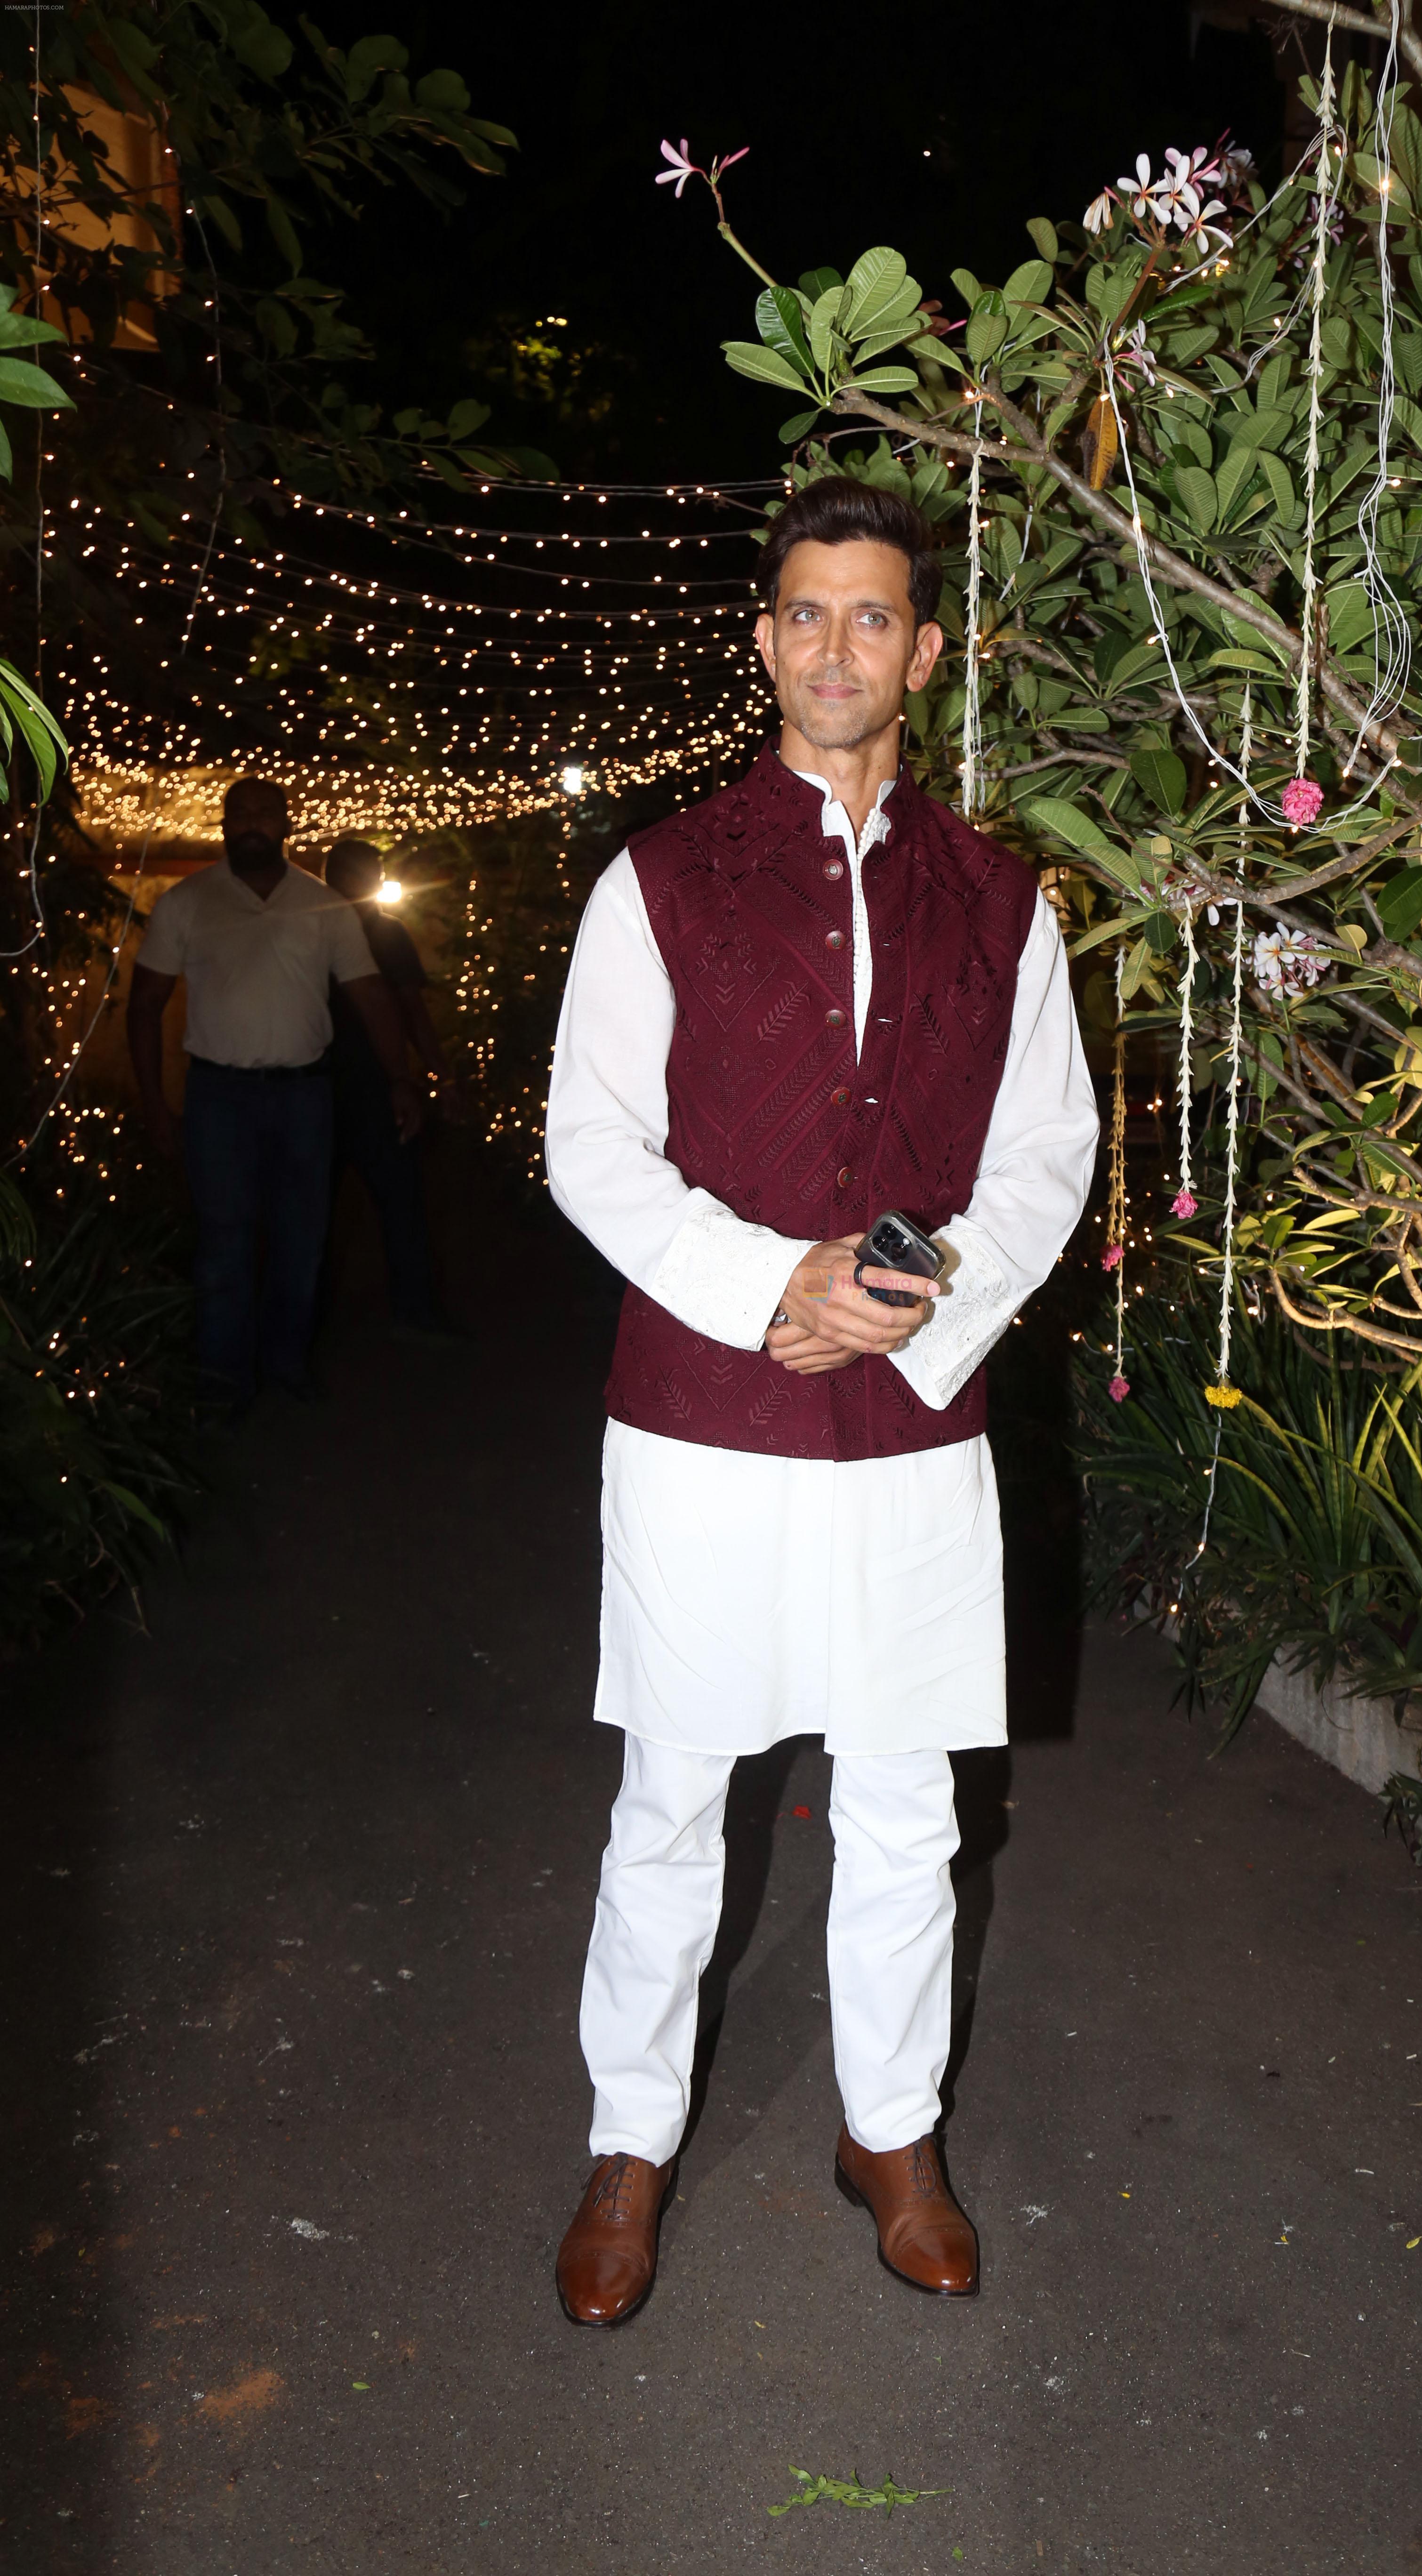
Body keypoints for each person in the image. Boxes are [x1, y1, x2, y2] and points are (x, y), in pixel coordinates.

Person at [543, 476, 1099, 2328]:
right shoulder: (663, 876)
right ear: (768, 636)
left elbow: (1047, 1155)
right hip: (699, 1414)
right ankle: (631, 2138)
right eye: (808, 612)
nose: (837, 645)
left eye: (875, 616)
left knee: (907, 1800)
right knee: (673, 1794)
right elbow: (592, 1150)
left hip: (914, 1426)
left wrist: (908, 1302)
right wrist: (768, 1283)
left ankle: (891, 2128)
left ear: (923, 651)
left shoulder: (1002, 898)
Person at [127, 777, 422, 1408]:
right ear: (224, 824)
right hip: (218, 1098)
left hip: (303, 1098)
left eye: (267, 813)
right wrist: (154, 1100)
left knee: (302, 1237)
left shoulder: (325, 906)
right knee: (224, 1242)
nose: (254, 823)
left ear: (287, 825)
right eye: (241, 814)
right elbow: (144, 1005)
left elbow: (371, 993)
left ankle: (286, 1367)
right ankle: (223, 1382)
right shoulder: (187, 902)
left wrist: (402, 1077)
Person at [321, 837, 460, 1341]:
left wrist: (436, 1075)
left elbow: (411, 1011)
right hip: (322, 1086)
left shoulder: (387, 935)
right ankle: (310, 1322)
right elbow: (411, 1012)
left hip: (373, 1087)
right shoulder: (314, 928)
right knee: (324, 1209)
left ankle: (413, 1307)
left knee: (398, 1202)